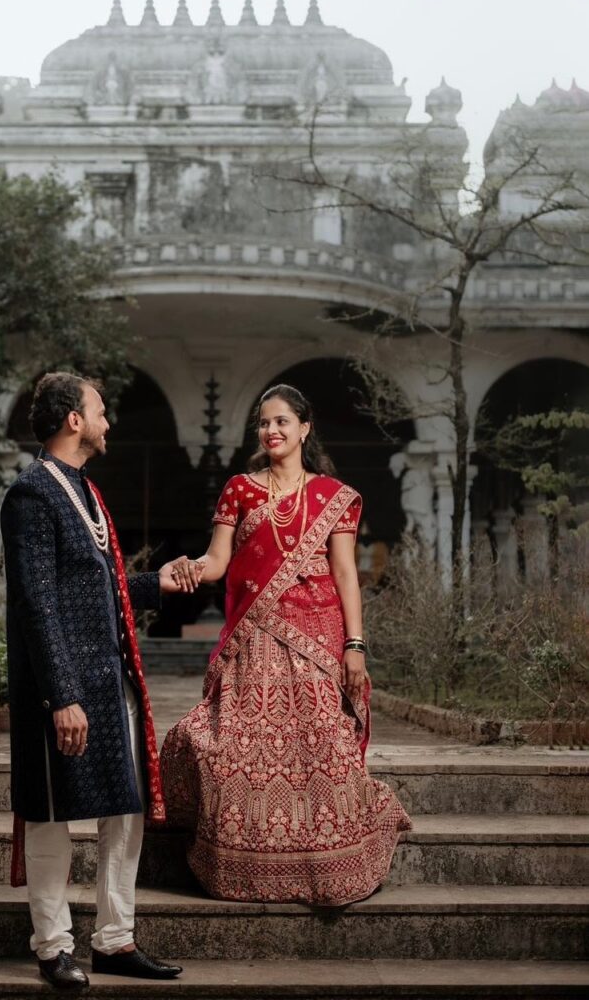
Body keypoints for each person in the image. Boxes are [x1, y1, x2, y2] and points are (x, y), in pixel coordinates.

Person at [161, 384, 412, 905]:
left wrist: (355, 646)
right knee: (236, 751)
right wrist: (184, 569)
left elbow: (346, 575)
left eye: (281, 421)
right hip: (254, 642)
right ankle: (245, 867)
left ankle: (332, 865)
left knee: (325, 749)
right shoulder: (239, 490)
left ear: (304, 428)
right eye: (264, 422)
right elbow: (218, 563)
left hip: (319, 639)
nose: (271, 430)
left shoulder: (333, 496)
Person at [0, 371, 185, 991]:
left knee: (125, 810)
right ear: (73, 420)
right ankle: (53, 947)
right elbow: (37, 604)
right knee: (51, 815)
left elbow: (98, 592)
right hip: (63, 691)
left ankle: (114, 939)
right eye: (100, 411)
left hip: (111, 684)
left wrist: (157, 579)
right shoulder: (31, 494)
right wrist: (63, 696)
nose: (108, 422)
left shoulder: (83, 491)